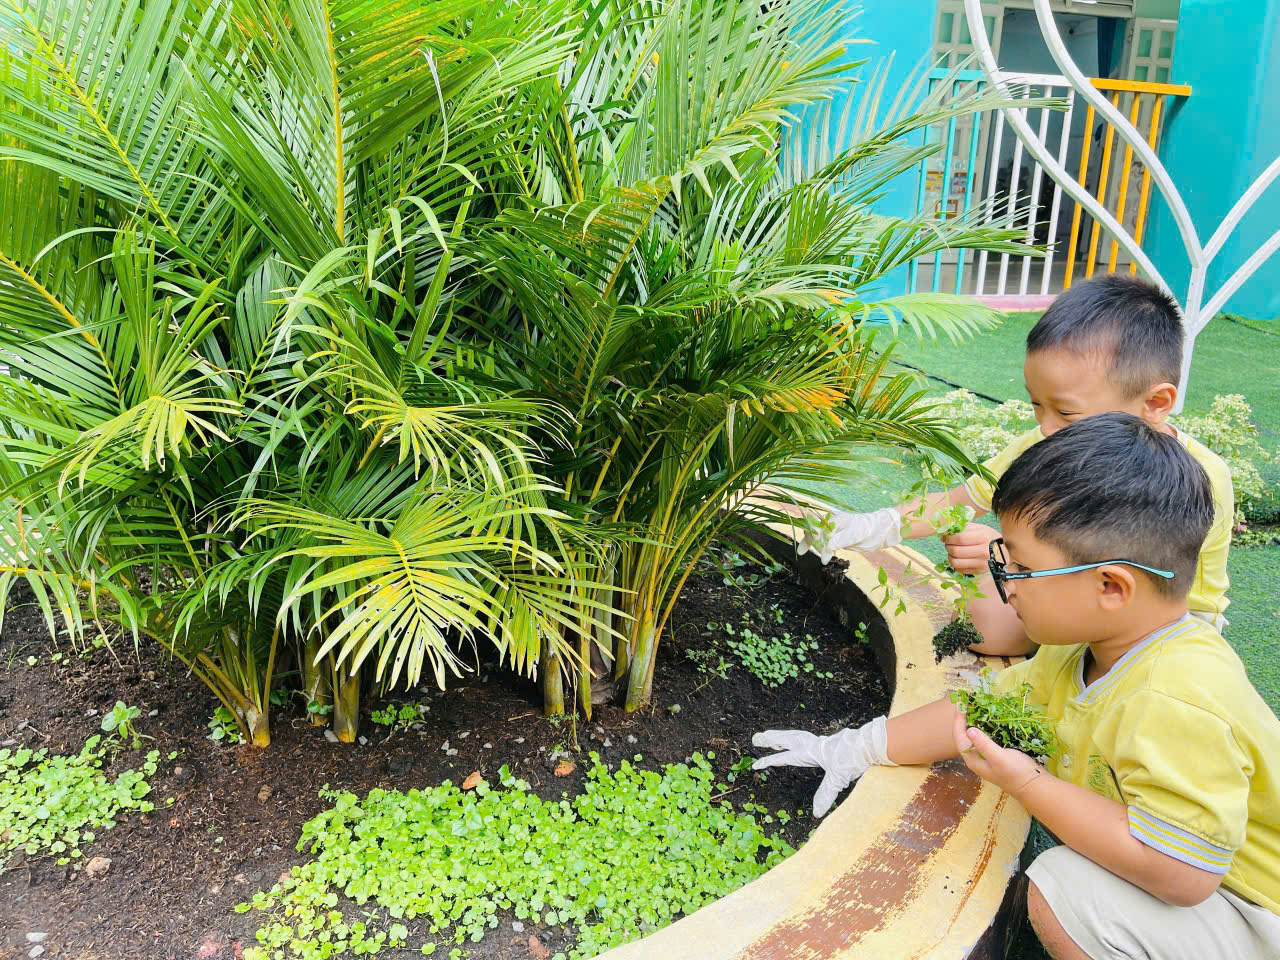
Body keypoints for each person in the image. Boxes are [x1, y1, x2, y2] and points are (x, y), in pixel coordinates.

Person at [755, 413, 1280, 960]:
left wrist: (1029, 784)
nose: (1005, 582)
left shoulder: (1176, 699)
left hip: (1255, 908)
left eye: (1021, 567)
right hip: (1214, 889)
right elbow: (979, 709)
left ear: (1110, 586)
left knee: (1066, 893)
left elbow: (1181, 873)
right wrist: (853, 747)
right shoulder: (1084, 648)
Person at [801, 275, 1234, 655]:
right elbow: (960, 502)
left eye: (1066, 412)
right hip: (1061, 589)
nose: (1046, 427)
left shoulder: (1194, 479)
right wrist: (868, 527)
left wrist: (1007, 555)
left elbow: (1117, 584)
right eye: (1036, 405)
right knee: (983, 634)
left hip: (1159, 625)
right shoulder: (1048, 439)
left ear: (1155, 403)